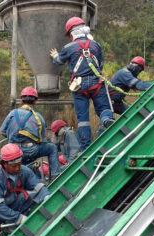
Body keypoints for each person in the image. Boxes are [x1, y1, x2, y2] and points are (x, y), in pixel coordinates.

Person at [50, 17, 114, 150]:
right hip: (97, 83)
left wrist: (55, 55)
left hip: (79, 86)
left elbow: (58, 62)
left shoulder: (69, 47)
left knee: (83, 119)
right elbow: (100, 65)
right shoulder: (96, 45)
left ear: (72, 33)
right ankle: (106, 120)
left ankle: (86, 148)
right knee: (104, 109)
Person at [0, 87, 61, 177]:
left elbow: (2, 131)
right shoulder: (38, 117)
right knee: (52, 148)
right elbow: (42, 140)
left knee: (25, 162)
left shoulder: (12, 113)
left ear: (21, 100)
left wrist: (14, 139)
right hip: (30, 151)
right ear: (35, 102)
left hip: (14, 151)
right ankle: (56, 176)